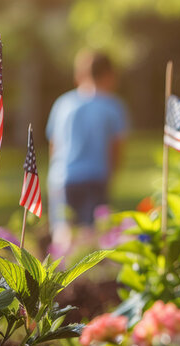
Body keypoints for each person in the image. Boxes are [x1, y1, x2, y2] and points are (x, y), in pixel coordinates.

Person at [46, 50, 128, 255]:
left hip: (62, 176)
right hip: (95, 176)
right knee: (92, 236)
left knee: (63, 233)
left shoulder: (63, 103)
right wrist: (112, 174)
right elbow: (116, 148)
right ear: (109, 74)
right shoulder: (113, 106)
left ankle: (59, 281)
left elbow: (53, 145)